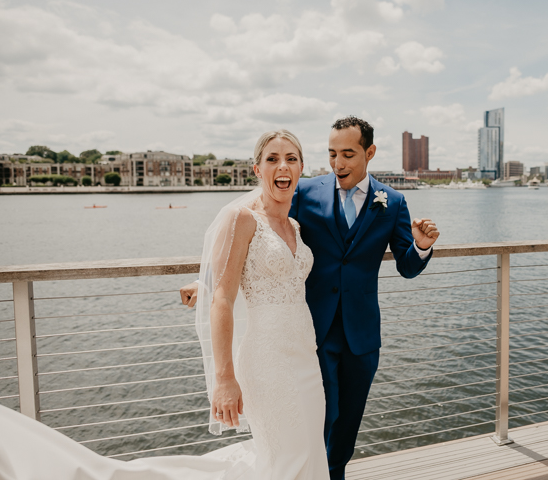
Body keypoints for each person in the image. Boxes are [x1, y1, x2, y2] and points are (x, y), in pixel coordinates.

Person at [0, 130, 326, 480]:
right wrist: (225, 379)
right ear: (257, 169)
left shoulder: (295, 227)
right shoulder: (241, 219)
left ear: (302, 168)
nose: (282, 166)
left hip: (304, 356)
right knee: (288, 458)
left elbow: (265, 276)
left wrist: (202, 282)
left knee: (309, 451)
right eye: (272, 159)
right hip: (267, 363)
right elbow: (222, 297)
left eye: (291, 158)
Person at [181, 116, 439, 479]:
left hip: (362, 336)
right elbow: (258, 224)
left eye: (348, 154)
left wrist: (422, 246)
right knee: (316, 426)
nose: (339, 163)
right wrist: (206, 280)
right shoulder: (304, 190)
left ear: (370, 153)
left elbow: (407, 266)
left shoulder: (392, 202)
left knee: (345, 429)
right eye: (333, 153)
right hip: (311, 336)